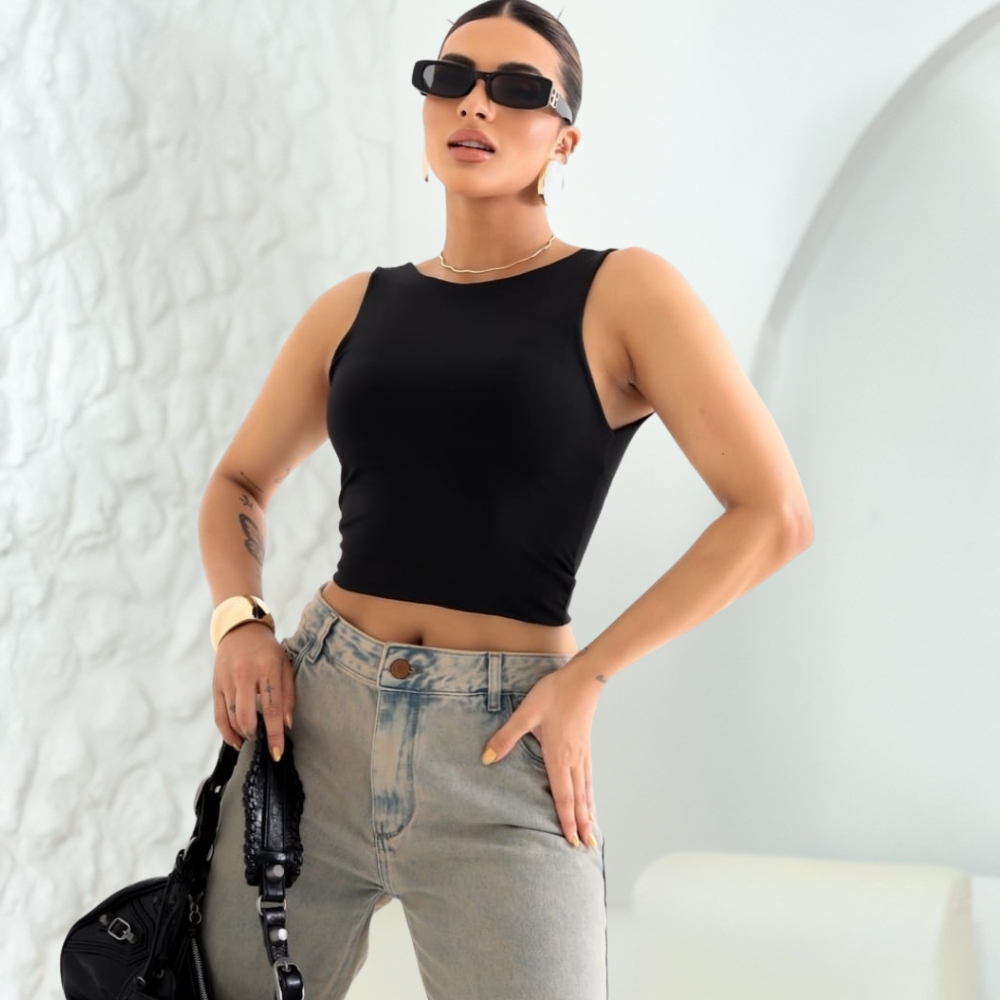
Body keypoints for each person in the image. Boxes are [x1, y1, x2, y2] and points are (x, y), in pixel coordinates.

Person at [197, 3, 814, 998]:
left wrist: (589, 675)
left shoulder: (623, 293)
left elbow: (772, 514)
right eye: (452, 77)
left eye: (520, 89)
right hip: (313, 725)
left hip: (502, 742)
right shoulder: (356, 307)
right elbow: (238, 482)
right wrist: (240, 623)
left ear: (564, 140)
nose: (476, 103)